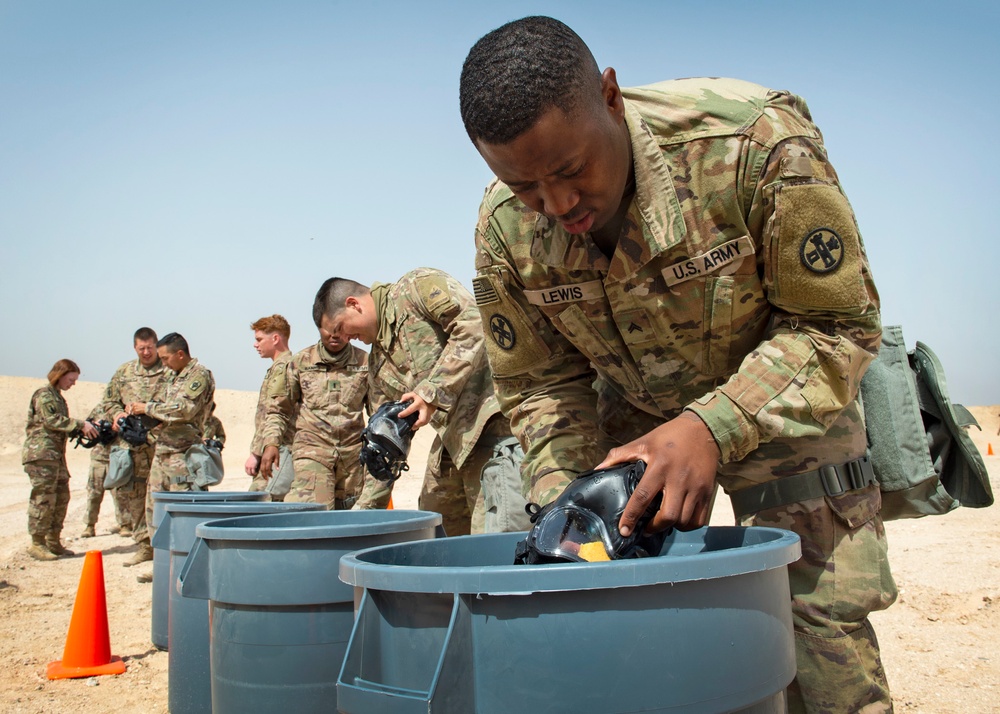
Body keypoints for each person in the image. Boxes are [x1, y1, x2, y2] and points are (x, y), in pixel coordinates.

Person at [460, 16, 895, 713]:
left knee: (817, 635)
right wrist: (571, 506)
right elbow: (540, 382)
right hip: (629, 422)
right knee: (618, 632)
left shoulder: (752, 143)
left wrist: (710, 427)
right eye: (527, 188)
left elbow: (835, 324)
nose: (559, 205)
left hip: (784, 401)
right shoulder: (505, 230)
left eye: (572, 171)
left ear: (610, 96)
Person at [316, 269, 529, 536]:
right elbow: (385, 444)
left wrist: (432, 392)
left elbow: (474, 323)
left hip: (497, 422)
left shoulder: (417, 287)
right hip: (454, 440)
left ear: (353, 304)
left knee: (498, 537)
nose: (344, 339)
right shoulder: (379, 365)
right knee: (435, 527)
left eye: (340, 328)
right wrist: (365, 512)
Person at [259, 311, 368, 510]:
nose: (334, 335)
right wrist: (271, 443)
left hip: (352, 458)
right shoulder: (300, 363)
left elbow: (378, 410)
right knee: (317, 514)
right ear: (319, 327)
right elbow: (279, 410)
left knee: (350, 520)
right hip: (312, 451)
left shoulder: (366, 363)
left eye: (340, 329)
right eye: (328, 329)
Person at [125, 332, 215, 566]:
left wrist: (149, 408)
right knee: (155, 508)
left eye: (165, 358)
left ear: (180, 354)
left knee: (184, 512)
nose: (162, 363)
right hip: (163, 450)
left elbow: (185, 409)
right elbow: (163, 408)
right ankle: (161, 563)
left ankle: (184, 563)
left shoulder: (199, 376)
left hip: (183, 455)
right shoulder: (172, 376)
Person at [96, 327, 167, 561]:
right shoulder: (124, 372)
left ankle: (165, 544)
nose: (146, 352)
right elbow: (109, 400)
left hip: (160, 442)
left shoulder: (168, 370)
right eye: (141, 348)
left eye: (150, 348)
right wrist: (117, 415)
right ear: (135, 348)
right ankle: (144, 545)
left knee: (162, 494)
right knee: (134, 493)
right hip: (132, 444)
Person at [22, 358, 98, 560]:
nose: (73, 383)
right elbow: (51, 420)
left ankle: (53, 541)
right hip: (41, 455)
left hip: (55, 456)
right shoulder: (44, 395)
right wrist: (80, 424)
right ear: (61, 374)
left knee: (62, 496)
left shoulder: (58, 398)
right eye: (71, 379)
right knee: (43, 498)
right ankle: (37, 543)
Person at [245, 315, 294, 500]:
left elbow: (272, 414)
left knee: (259, 502)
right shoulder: (282, 367)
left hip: (276, 452)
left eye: (259, 340)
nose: (255, 345)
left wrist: (256, 454)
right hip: (277, 450)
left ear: (275, 339)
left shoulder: (283, 368)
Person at [80, 405, 130, 538]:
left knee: (120, 493)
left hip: (117, 455)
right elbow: (87, 426)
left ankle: (125, 524)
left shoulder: (122, 411)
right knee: (94, 493)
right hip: (99, 456)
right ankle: (89, 525)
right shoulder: (98, 410)